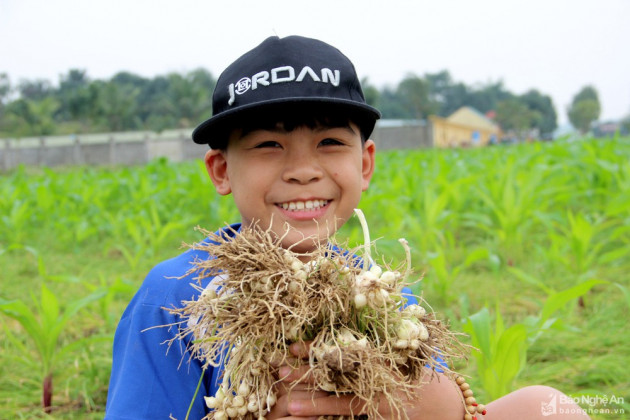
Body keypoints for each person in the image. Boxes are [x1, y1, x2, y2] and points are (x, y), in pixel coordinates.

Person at [105, 35, 590, 420]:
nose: (303, 170)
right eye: (268, 145)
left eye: (330, 142)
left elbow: (433, 401)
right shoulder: (177, 296)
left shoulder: (377, 293)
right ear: (221, 171)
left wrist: (444, 406)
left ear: (366, 164)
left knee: (547, 408)